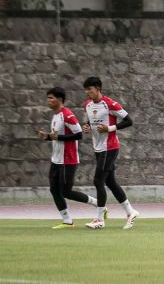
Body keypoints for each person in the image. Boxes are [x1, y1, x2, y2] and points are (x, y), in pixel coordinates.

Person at [81, 76, 139, 230]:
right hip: (98, 148)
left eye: (90, 89)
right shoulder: (86, 104)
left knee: (98, 181)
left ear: (98, 89)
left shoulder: (110, 104)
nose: (87, 92)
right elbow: (91, 121)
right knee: (110, 182)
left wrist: (109, 128)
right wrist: (86, 127)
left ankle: (99, 219)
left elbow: (129, 121)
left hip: (110, 147)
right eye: (86, 90)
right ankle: (130, 212)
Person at [38, 87, 98, 229]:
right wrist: (47, 137)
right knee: (54, 190)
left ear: (59, 99)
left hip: (68, 160)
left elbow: (79, 135)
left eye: (51, 98)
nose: (48, 101)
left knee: (66, 192)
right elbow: (57, 138)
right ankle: (67, 221)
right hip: (56, 160)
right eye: (48, 98)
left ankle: (98, 204)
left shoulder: (68, 115)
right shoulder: (55, 115)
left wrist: (58, 137)